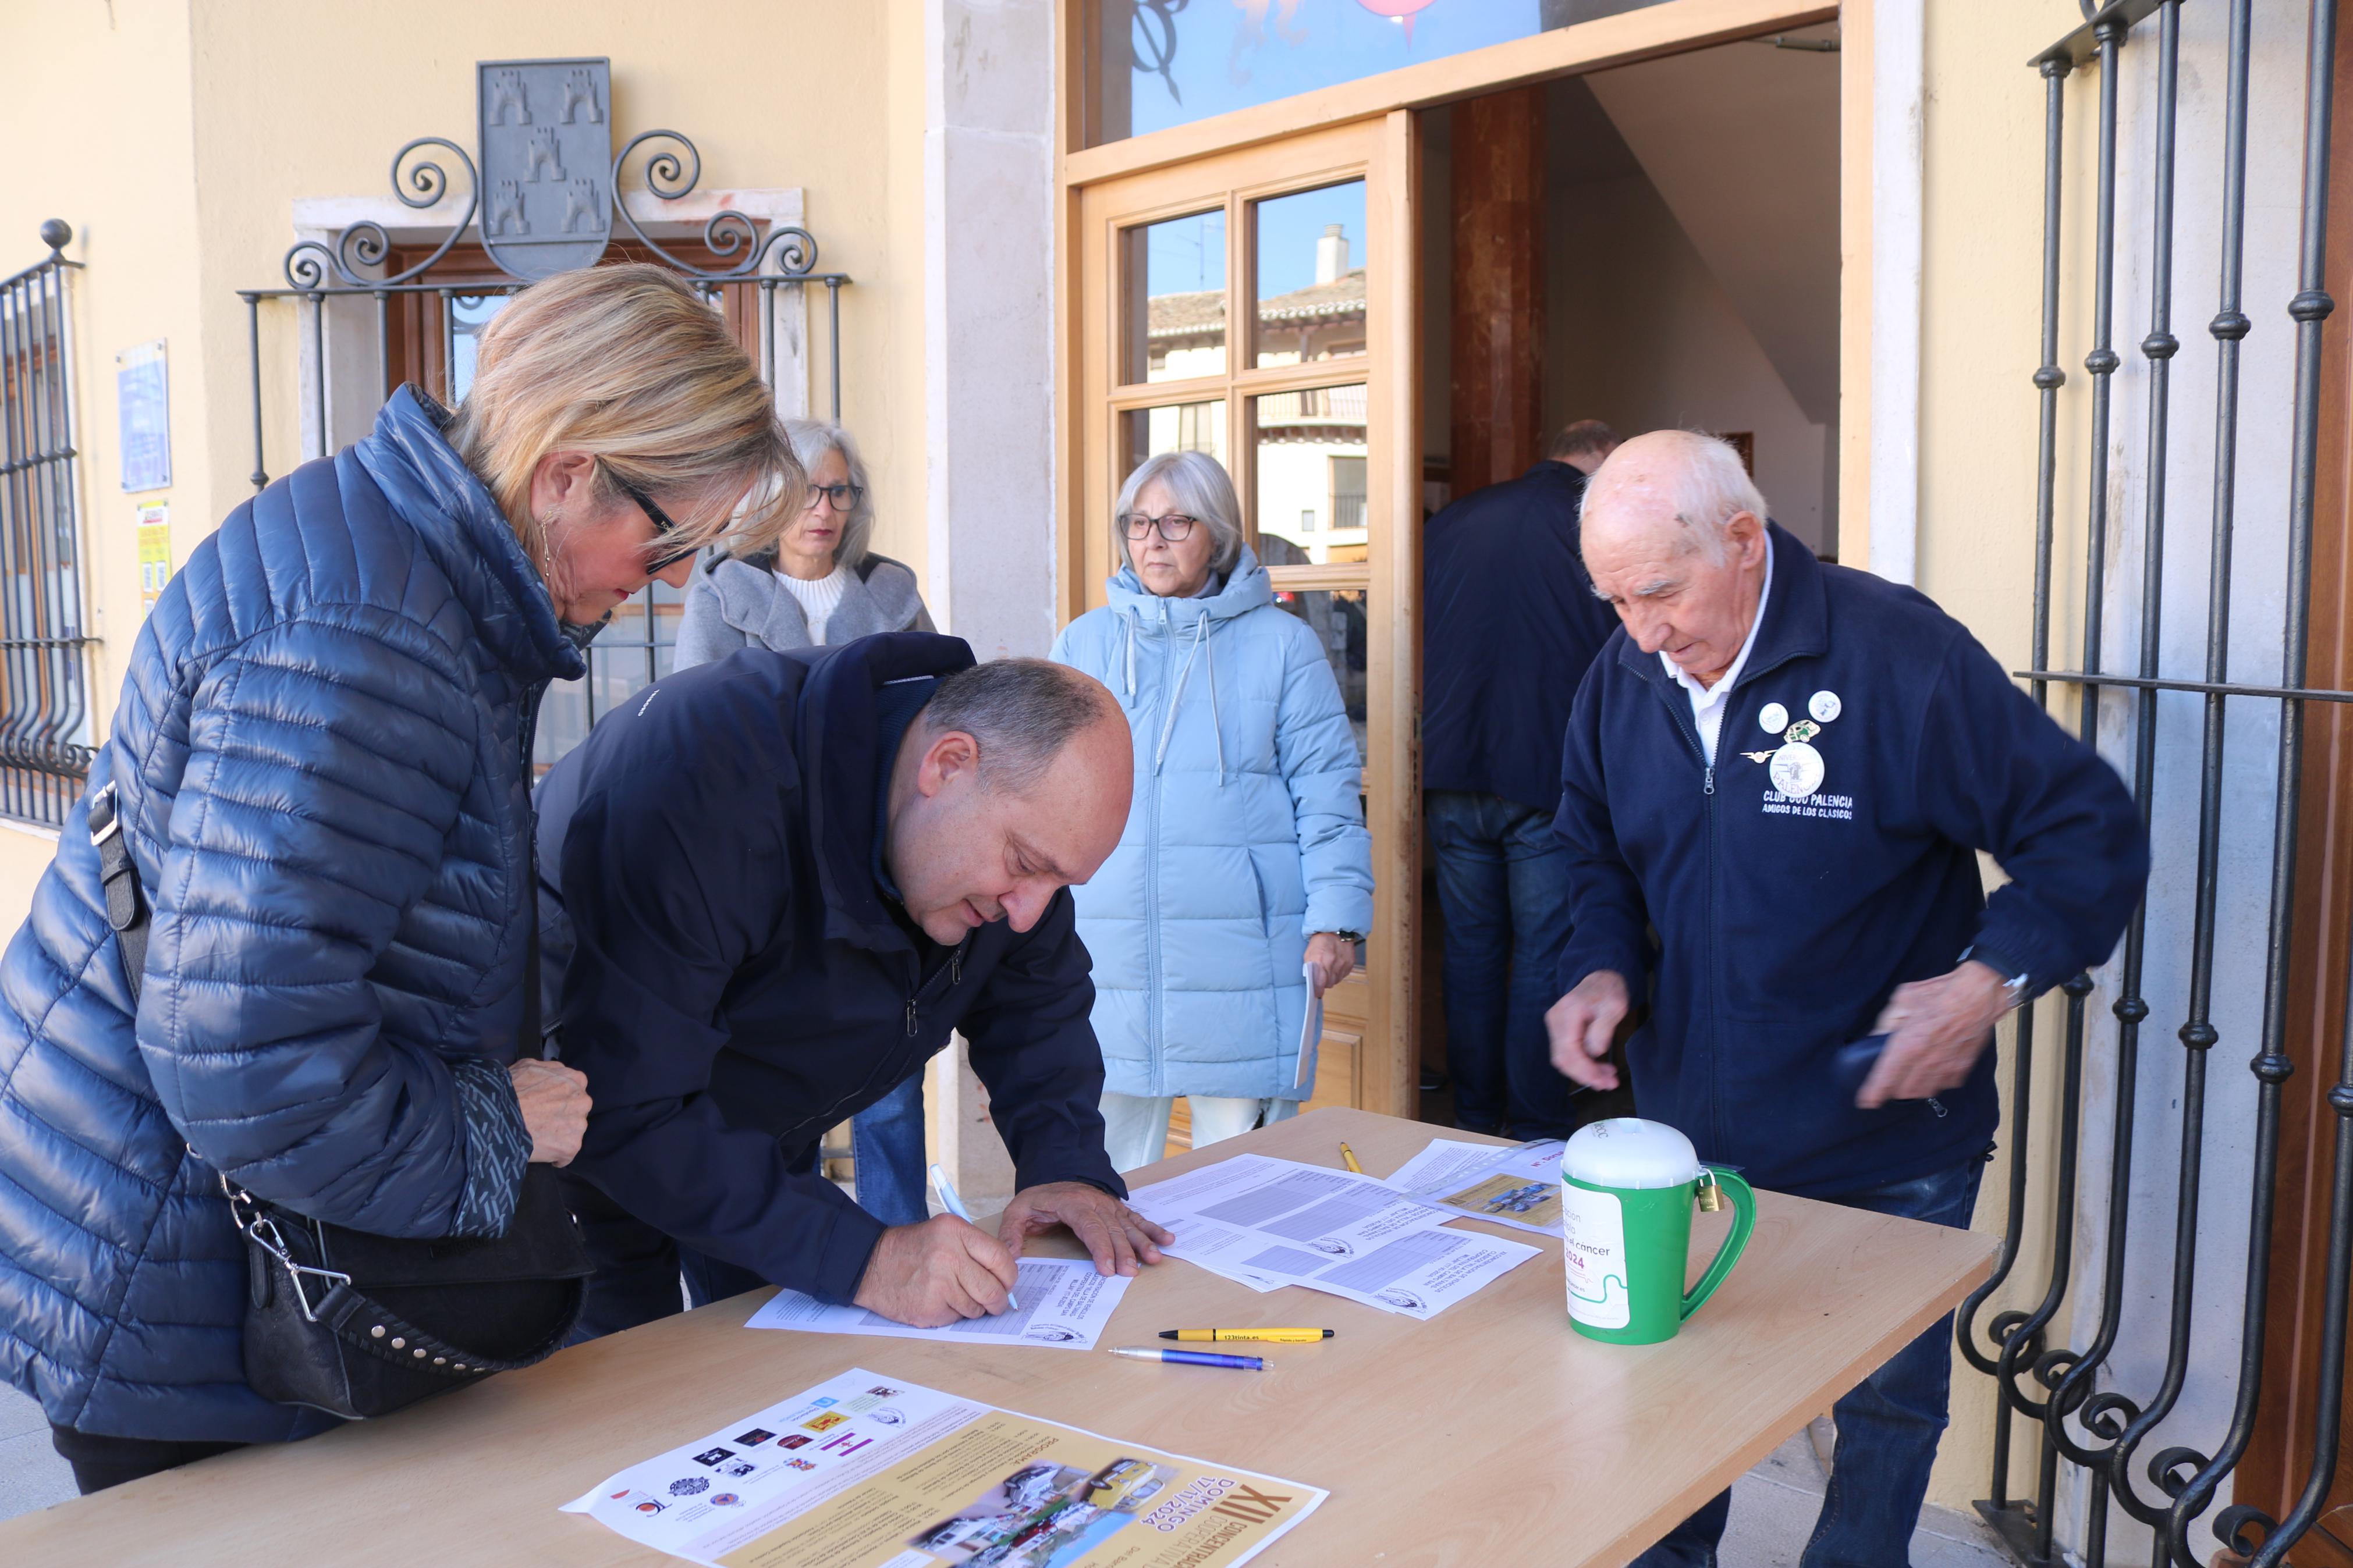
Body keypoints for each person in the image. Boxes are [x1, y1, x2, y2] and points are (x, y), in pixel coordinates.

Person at [0, 263, 799, 1492]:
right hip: (185, 1283)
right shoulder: (369, 643)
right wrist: (492, 1126)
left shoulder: (384, 551)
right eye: (670, 534)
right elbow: (244, 1054)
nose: (682, 577)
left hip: (177, 1235)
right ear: (567, 469)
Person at [1544, 430, 2148, 1568]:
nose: (1640, 632)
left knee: (1882, 1411)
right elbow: (1594, 857)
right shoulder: (1619, 676)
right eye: (1612, 600)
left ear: (1740, 541)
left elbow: (2086, 838)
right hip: (1692, 1144)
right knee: (1672, 1396)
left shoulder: (1894, 656)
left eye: (1659, 593)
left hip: (1885, 1147)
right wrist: (1597, 967)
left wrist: (1982, 984)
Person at [535, 641, 1173, 1333]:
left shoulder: (1010, 845)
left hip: (759, 1128)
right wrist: (865, 1259)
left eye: (1059, 883)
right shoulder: (704, 780)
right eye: (1024, 865)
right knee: (616, 1384)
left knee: (770, 1384)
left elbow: (1037, 1005)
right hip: (577, 1134)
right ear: (947, 764)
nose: (1027, 911)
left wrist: (1065, 1164)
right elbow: (628, 1100)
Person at [1051, 451, 1374, 1174]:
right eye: (1138, 524)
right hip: (1110, 960)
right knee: (1105, 1181)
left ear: (1218, 534)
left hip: (1246, 962)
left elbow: (1326, 793)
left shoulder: (1283, 646)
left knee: (1240, 1187)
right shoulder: (1084, 644)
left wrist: (1336, 920)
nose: (1152, 541)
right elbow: (1040, 794)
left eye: (1174, 522)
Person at [672, 418, 936, 1230]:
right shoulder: (720, 592)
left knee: (889, 1078)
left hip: (872, 867)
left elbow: (934, 718)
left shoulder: (892, 592)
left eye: (837, 490)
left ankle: (898, 1236)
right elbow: (694, 731)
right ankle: (786, 1243)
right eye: (803, 490)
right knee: (775, 1073)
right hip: (766, 872)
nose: (822, 508)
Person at [1421, 417, 1620, 1140]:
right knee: (1542, 954)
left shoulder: (1454, 521)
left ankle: (1472, 1117)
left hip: (1447, 767)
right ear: (1599, 459)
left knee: (1469, 952)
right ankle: (1537, 1127)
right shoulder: (1594, 524)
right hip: (1544, 773)